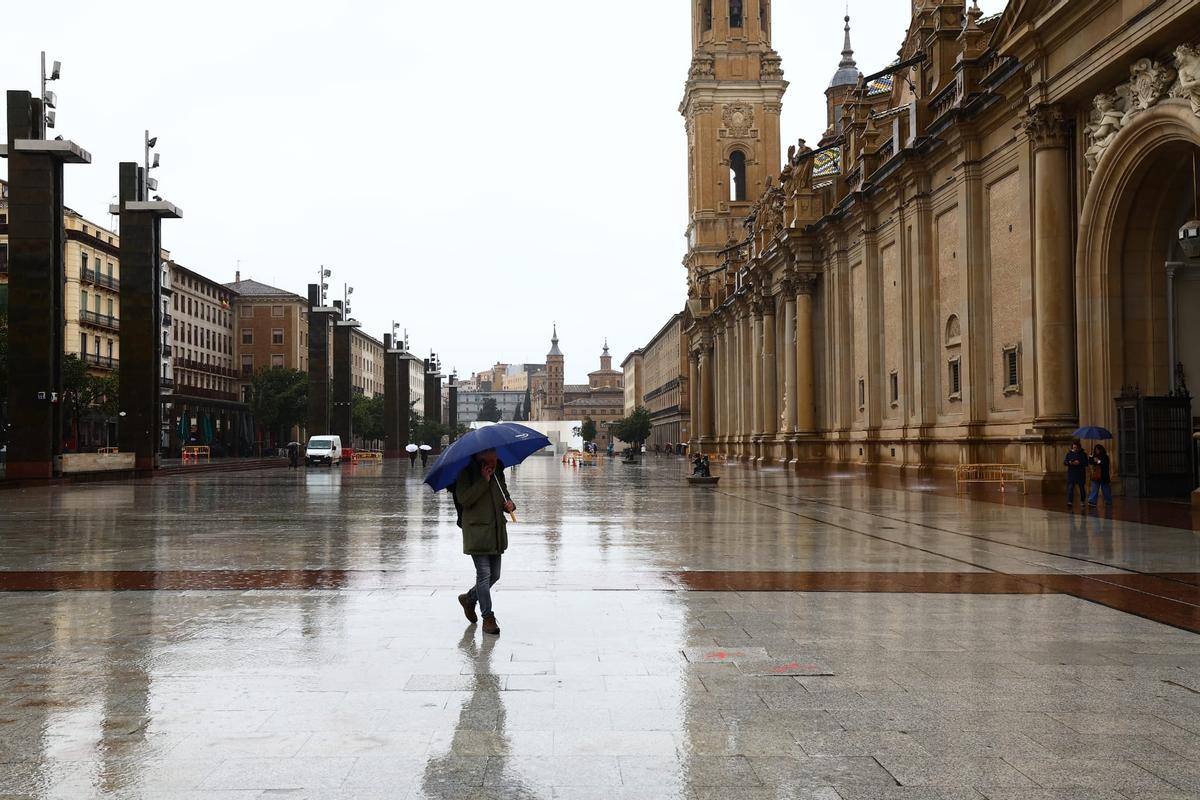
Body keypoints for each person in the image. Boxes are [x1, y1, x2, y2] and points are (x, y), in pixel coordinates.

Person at [452, 448, 515, 635]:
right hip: (477, 531)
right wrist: (483, 481)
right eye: (491, 455)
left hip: (495, 532)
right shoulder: (466, 473)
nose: (495, 459)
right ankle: (488, 617)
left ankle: (470, 598)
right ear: (480, 456)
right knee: (484, 574)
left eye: (495, 455)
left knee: (495, 575)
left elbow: (505, 495)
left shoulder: (498, 472)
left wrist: (510, 504)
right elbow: (464, 499)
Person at [1087, 443, 1113, 508]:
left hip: (1104, 476)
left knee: (1106, 490)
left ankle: (1108, 501)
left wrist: (1098, 461)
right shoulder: (1095, 456)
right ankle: (1092, 502)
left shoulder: (1105, 457)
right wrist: (1090, 457)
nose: (1097, 451)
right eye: (1095, 450)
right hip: (1096, 476)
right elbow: (1091, 462)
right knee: (1094, 489)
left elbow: (1104, 464)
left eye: (1098, 450)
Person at [1063, 441, 1087, 508]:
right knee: (1070, 488)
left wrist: (1079, 462)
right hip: (1072, 474)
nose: (1075, 449)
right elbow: (1065, 462)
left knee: (1082, 488)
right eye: (1074, 447)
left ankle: (1082, 501)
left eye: (1076, 447)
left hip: (1080, 474)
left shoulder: (1083, 454)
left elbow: (1086, 463)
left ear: (1079, 447)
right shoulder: (1069, 454)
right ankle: (1070, 501)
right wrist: (1070, 462)